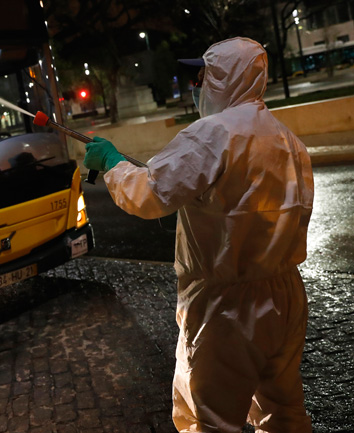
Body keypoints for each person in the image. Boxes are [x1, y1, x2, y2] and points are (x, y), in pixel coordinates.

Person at [84, 37, 314, 432]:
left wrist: (112, 163)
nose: (198, 85)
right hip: (286, 296)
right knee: (283, 411)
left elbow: (150, 195)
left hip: (226, 308)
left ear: (224, 78)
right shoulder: (287, 140)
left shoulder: (212, 134)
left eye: (204, 76)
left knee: (211, 419)